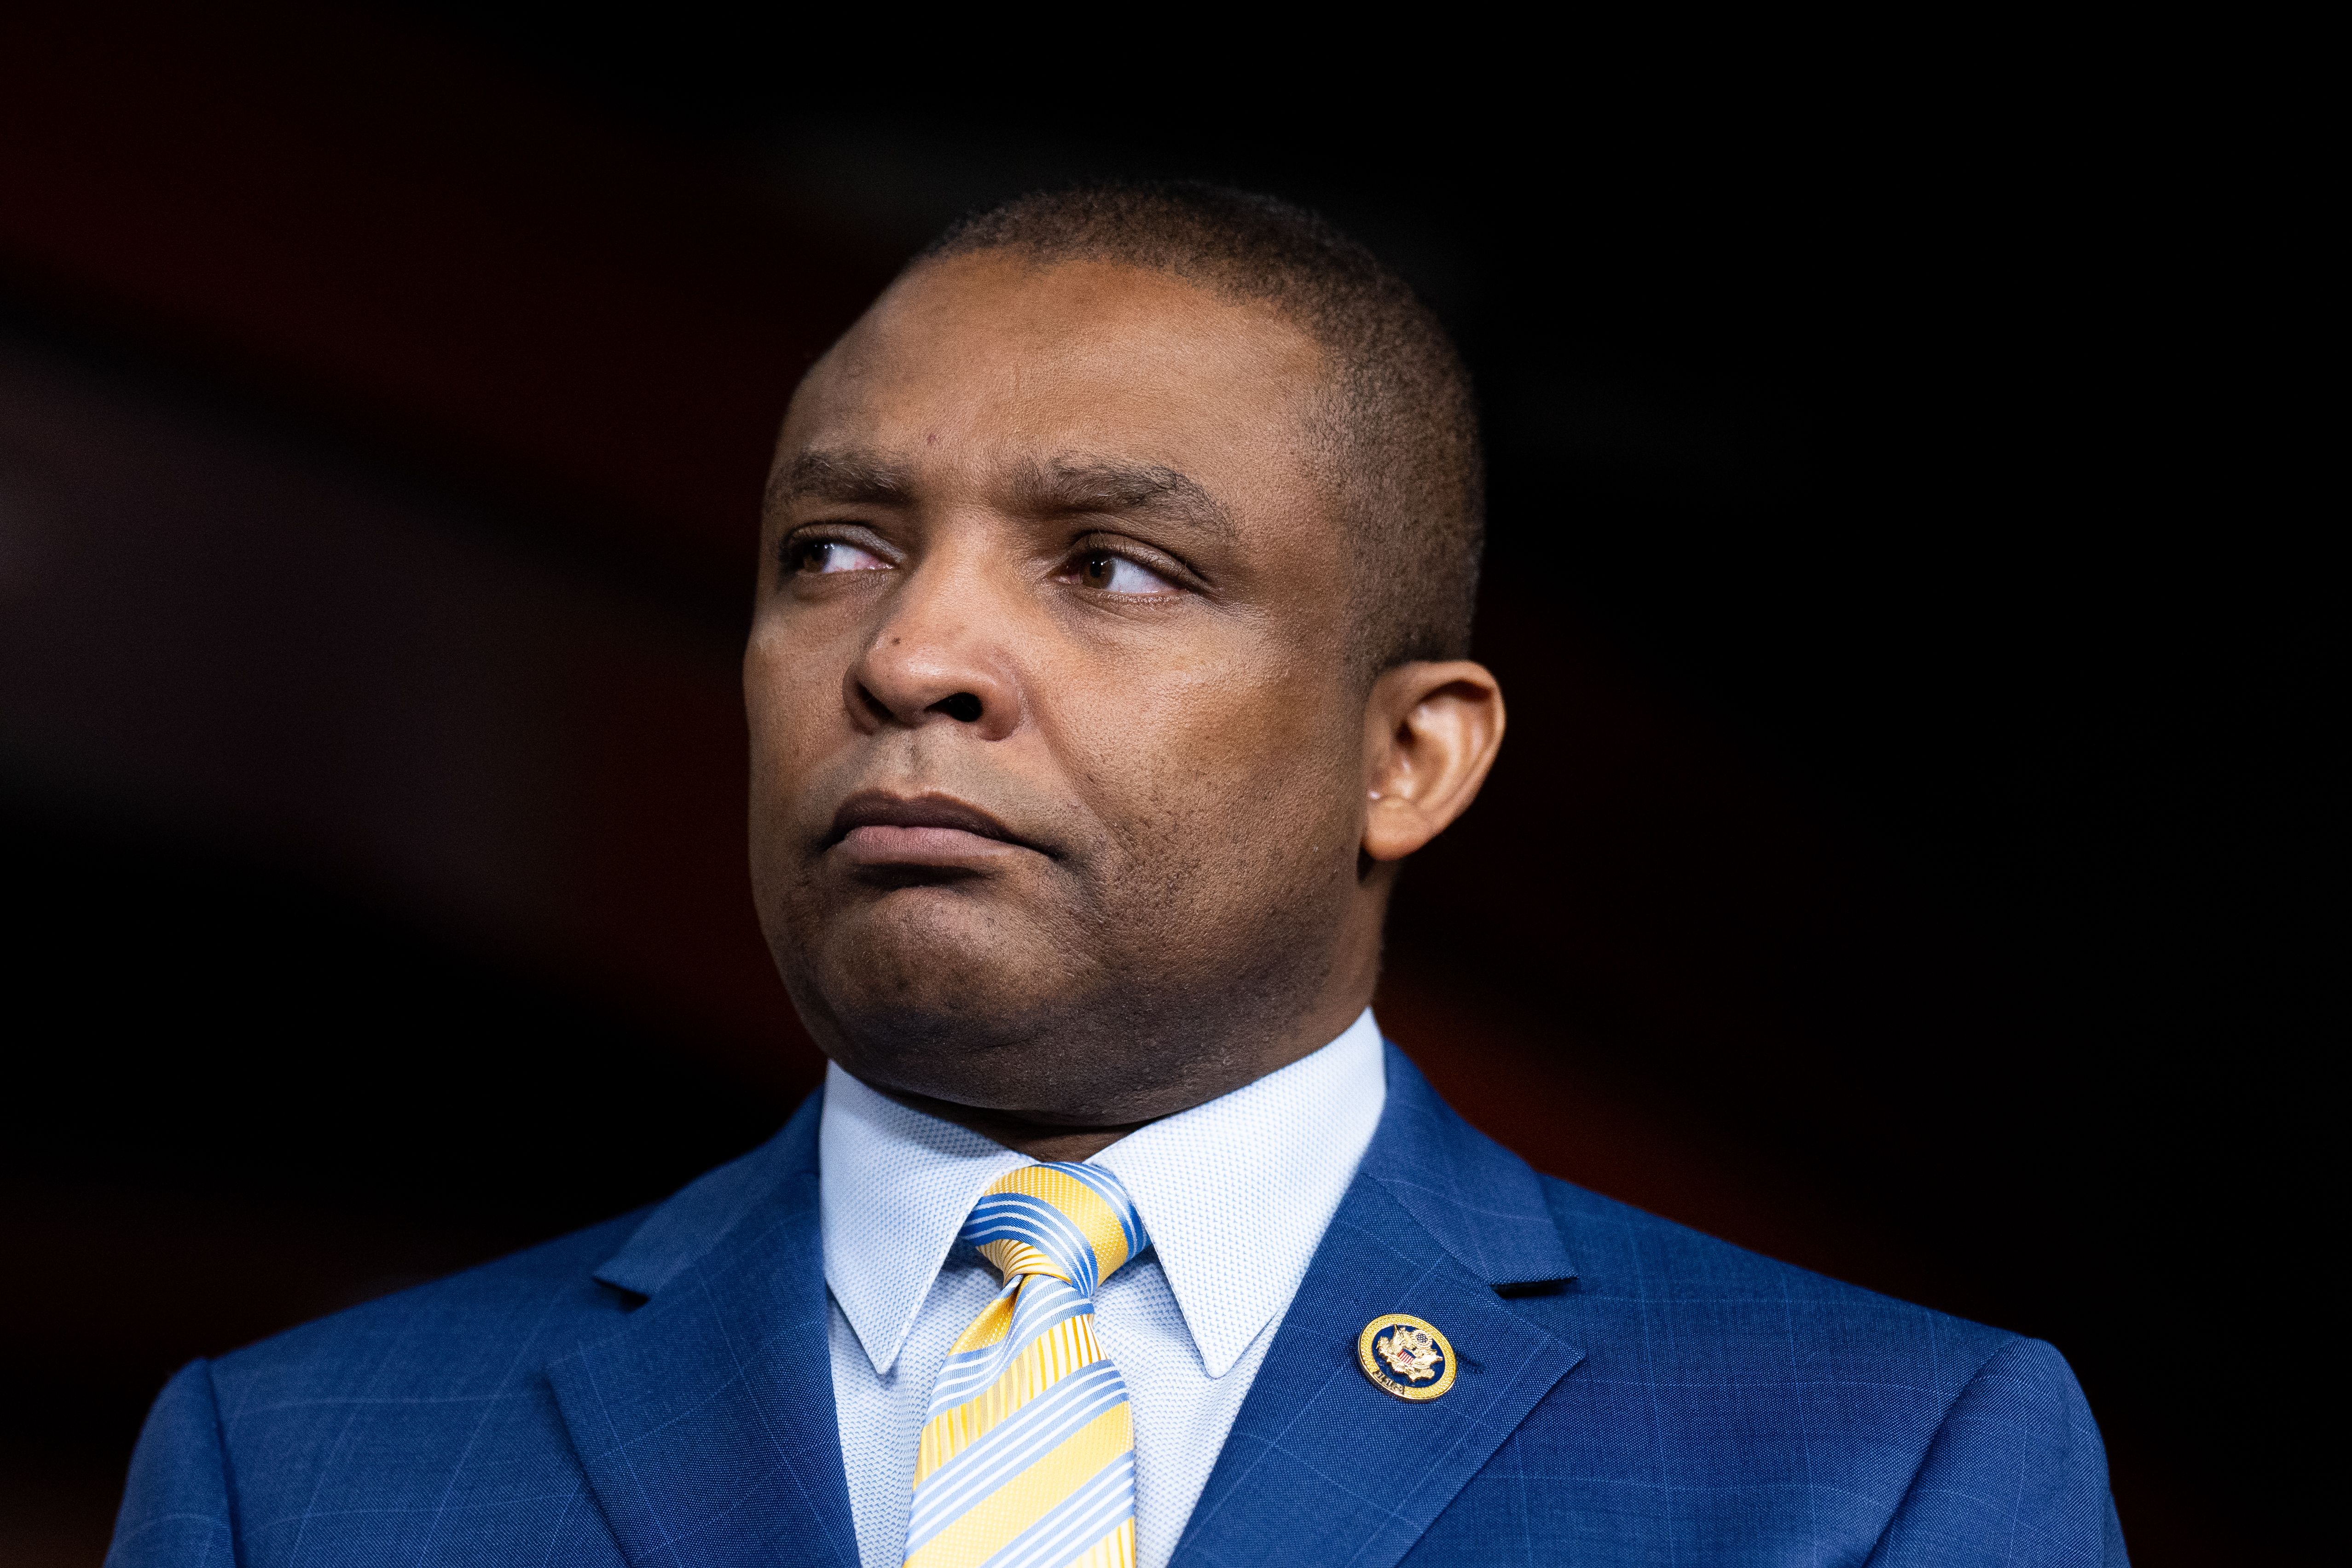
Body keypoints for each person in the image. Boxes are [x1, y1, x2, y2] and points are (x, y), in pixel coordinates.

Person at [107, 183, 2126, 1568]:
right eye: (834, 549)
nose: (910, 656)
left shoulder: (1869, 1467)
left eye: (1115, 567)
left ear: (1409, 755)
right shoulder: (293, 1471)